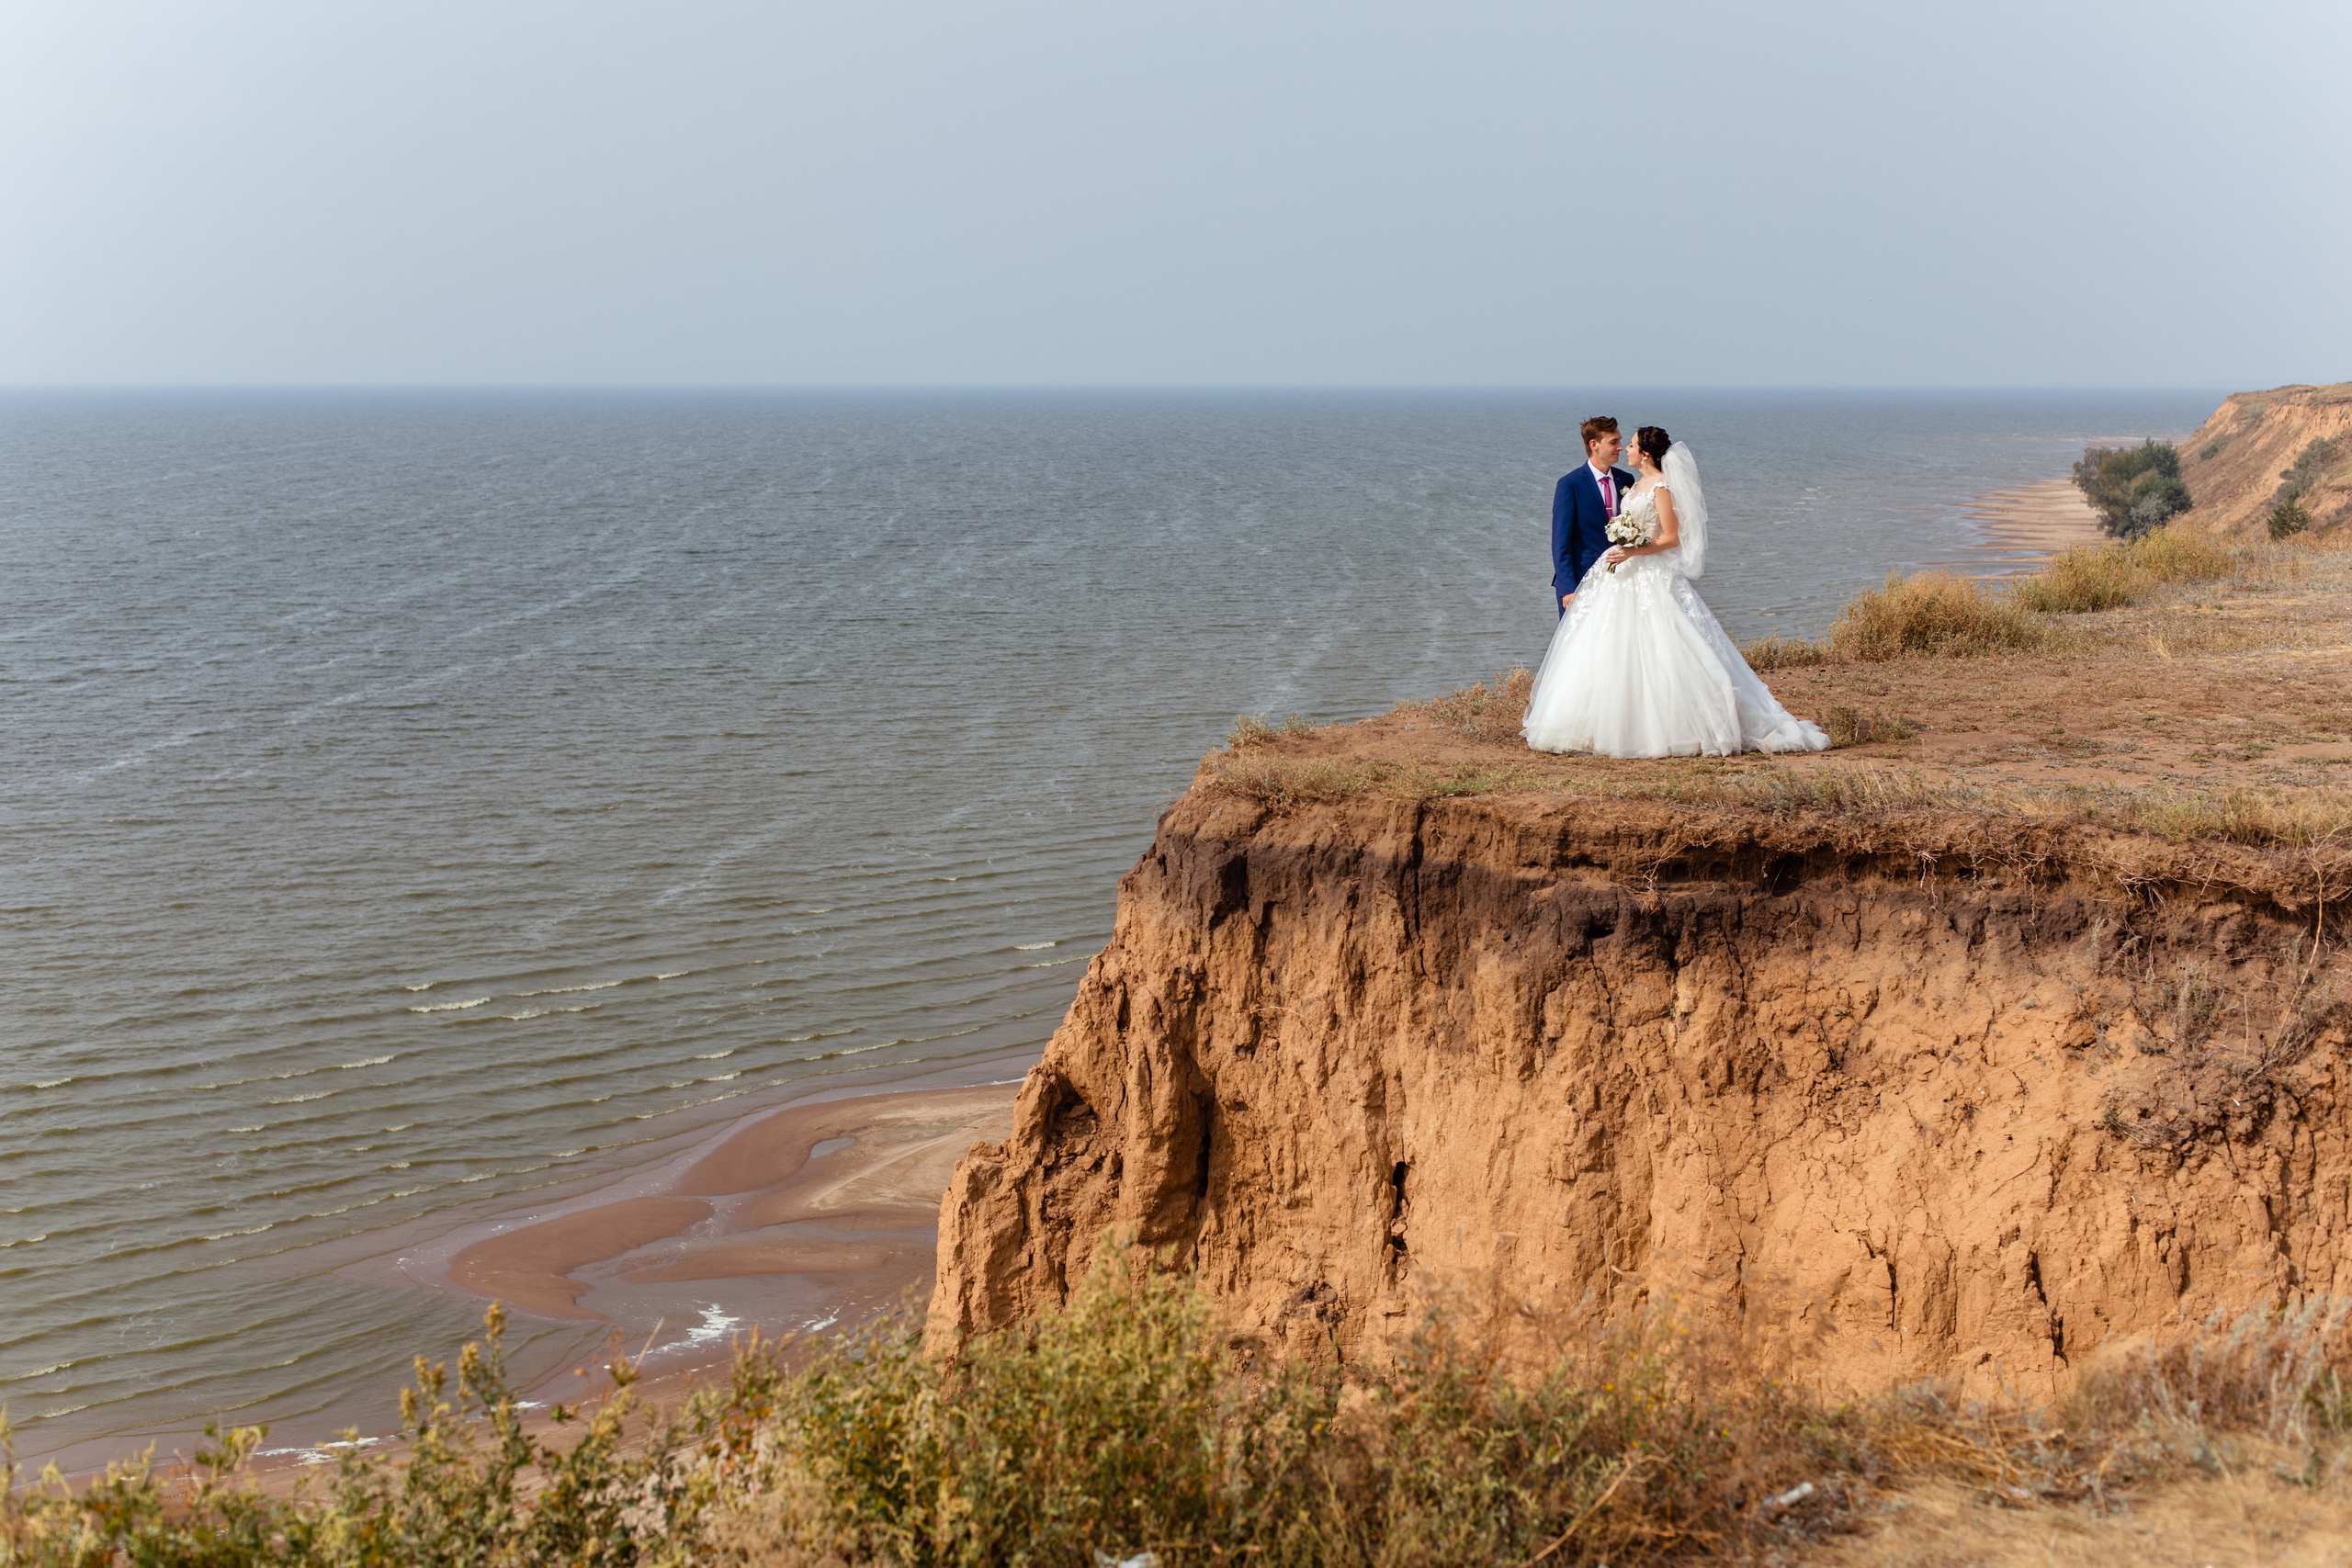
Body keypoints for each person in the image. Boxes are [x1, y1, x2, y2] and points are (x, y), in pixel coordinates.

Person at [1522, 426, 1829, 758]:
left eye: (1631, 444)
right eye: (1620, 442)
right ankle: (1602, 720)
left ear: (1646, 453)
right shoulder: (1633, 484)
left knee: (1662, 647)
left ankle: (1666, 727)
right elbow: (1567, 539)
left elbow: (1671, 537)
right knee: (1609, 646)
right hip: (1618, 574)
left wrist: (1632, 550)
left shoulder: (1660, 486)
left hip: (1646, 572)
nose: (1625, 447)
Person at [1551, 416, 1636, 616]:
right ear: (1594, 445)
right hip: (1581, 582)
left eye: (1620, 440)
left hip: (1620, 580)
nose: (1621, 447)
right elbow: (1560, 543)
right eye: (1613, 442)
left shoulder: (1626, 479)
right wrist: (1568, 589)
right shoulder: (1570, 484)